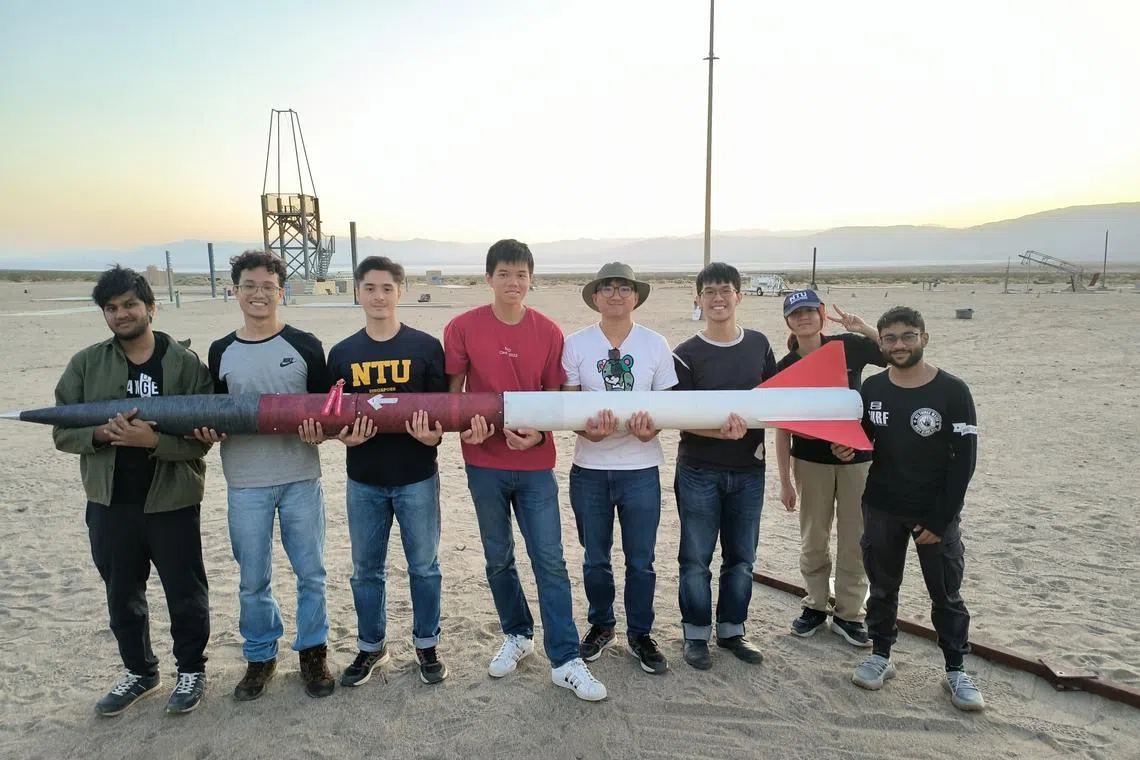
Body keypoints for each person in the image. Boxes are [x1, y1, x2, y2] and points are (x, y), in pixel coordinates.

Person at [444, 239, 607, 701]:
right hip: (483, 463)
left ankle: (565, 657)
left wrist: (537, 435)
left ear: (531, 279)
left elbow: (556, 402)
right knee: (498, 557)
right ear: (489, 278)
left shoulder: (549, 332)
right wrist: (464, 430)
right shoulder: (462, 327)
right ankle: (517, 634)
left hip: (535, 465)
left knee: (550, 559)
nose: (513, 283)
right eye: (504, 274)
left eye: (521, 275)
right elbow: (455, 395)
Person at [53, 265, 212, 716]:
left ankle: (191, 670)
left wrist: (154, 442)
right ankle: (140, 672)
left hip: (172, 500)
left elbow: (204, 441)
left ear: (150, 307)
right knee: (122, 593)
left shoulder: (184, 365)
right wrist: (101, 435)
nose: (121, 314)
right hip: (109, 503)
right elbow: (62, 430)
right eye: (111, 308)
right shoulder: (87, 364)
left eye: (129, 305)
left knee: (185, 591)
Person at [193, 250, 334, 701]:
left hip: (300, 478)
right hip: (245, 483)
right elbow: (215, 413)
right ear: (235, 291)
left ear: (281, 291)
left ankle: (313, 653)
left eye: (268, 286)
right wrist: (209, 432)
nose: (258, 294)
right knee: (253, 578)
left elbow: (326, 415)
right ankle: (260, 655)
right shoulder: (220, 352)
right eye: (249, 286)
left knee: (310, 572)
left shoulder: (306, 346)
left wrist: (321, 433)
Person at [832, 306, 984, 711]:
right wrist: (846, 450)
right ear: (880, 344)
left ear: (924, 338)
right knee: (882, 589)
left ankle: (956, 670)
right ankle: (881, 655)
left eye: (908, 336)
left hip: (934, 513)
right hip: (881, 506)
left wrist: (941, 518)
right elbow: (864, 441)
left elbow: (965, 461)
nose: (899, 345)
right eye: (890, 339)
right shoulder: (873, 389)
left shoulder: (953, 391)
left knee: (946, 594)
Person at [326, 256, 449, 687]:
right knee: (365, 569)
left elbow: (443, 417)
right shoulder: (341, 354)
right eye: (370, 288)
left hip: (417, 475)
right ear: (357, 292)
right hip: (364, 478)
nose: (378, 296)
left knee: (424, 567)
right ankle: (370, 646)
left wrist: (432, 438)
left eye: (387, 288)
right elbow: (333, 416)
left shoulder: (425, 348)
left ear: (400, 291)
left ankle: (427, 643)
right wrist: (344, 437)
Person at [561, 262, 677, 675]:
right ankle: (601, 625)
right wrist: (587, 432)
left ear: (636, 296)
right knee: (595, 558)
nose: (615, 294)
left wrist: (651, 432)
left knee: (641, 559)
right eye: (607, 288)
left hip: (641, 469)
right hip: (589, 468)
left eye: (624, 288)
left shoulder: (655, 344)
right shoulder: (576, 345)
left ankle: (641, 633)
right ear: (595, 297)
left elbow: (664, 406)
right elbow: (570, 405)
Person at [672, 262, 776, 670]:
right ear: (698, 299)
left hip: (750, 471)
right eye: (709, 291)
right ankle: (695, 634)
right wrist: (720, 433)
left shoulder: (759, 344)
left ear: (739, 296)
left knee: (742, 556)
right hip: (699, 468)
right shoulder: (685, 354)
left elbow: (776, 399)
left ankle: (733, 629)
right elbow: (680, 416)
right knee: (695, 557)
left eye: (725, 290)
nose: (718, 298)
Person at [774, 290, 885, 646]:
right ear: (789, 321)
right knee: (814, 537)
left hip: (858, 461)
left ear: (822, 314)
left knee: (856, 538)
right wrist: (785, 481)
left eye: (810, 311)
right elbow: (783, 427)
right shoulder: (786, 366)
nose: (804, 318)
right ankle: (816, 605)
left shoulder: (847, 346)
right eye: (796, 313)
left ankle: (850, 614)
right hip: (810, 463)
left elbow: (894, 354)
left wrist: (863, 326)